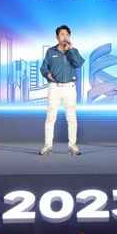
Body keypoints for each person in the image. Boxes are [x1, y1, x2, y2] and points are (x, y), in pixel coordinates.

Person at [39, 25, 85, 156]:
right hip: (54, 87)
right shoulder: (51, 52)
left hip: (69, 87)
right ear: (57, 37)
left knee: (71, 117)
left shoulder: (73, 51)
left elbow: (78, 63)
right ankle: (48, 145)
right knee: (50, 117)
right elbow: (44, 68)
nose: (65, 37)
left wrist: (71, 50)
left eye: (67, 35)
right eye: (62, 34)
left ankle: (72, 145)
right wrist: (47, 74)